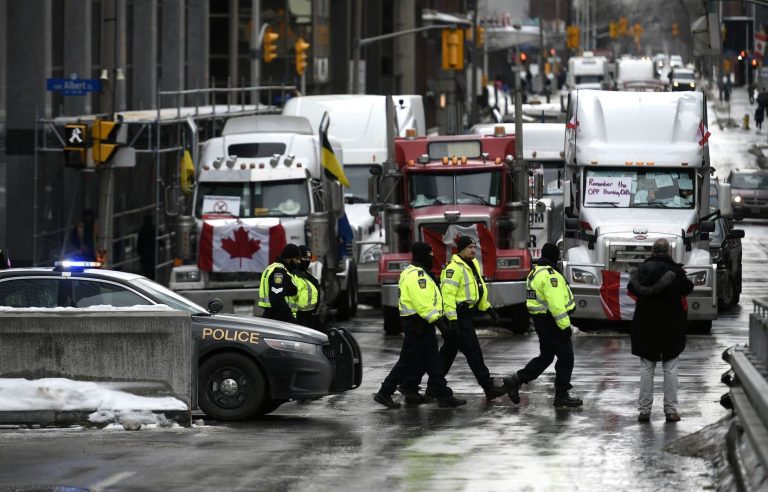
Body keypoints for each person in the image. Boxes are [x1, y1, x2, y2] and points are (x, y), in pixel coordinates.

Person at [373, 242, 466, 409]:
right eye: (430, 254)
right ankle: (385, 392)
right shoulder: (417, 276)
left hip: (421, 325)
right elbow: (424, 305)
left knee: (432, 362)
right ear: (423, 255)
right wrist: (442, 326)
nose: (432, 257)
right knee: (407, 363)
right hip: (418, 325)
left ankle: (442, 395)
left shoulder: (417, 273)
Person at [417, 236, 506, 402]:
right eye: (470, 247)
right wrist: (453, 319)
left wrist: (488, 308)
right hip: (458, 316)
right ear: (461, 249)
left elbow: (477, 290)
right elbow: (448, 295)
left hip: (465, 314)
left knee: (447, 353)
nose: (473, 250)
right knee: (473, 352)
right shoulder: (454, 268)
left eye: (474, 247)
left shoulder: (471, 265)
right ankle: (488, 387)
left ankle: (433, 388)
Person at [503, 243, 583, 408]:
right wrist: (564, 326)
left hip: (541, 322)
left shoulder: (534, 273)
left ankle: (516, 380)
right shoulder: (550, 275)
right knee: (566, 358)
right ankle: (561, 394)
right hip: (552, 322)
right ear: (554, 257)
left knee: (546, 357)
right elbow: (556, 305)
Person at [627, 238, 694, 423]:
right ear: (668, 252)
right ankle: (671, 411)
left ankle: (644, 411)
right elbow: (688, 288)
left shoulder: (642, 270)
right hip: (671, 325)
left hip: (645, 324)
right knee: (670, 368)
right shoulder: (676, 271)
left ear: (653, 252)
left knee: (647, 368)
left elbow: (631, 288)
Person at [258, 244, 301, 323]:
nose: (299, 261)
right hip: (278, 320)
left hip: (277, 318)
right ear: (288, 258)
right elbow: (277, 300)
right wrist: (292, 320)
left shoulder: (282, 270)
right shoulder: (279, 272)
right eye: (297, 258)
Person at [288, 245, 321, 330]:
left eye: (309, 258)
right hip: (295, 319)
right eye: (305, 258)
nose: (307, 261)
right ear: (298, 258)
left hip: (308, 317)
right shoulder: (290, 274)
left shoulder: (308, 276)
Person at [136, 214, 156, 279]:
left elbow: (139, 245)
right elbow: (161, 243)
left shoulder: (142, 231)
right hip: (153, 255)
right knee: (153, 272)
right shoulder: (154, 230)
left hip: (145, 256)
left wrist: (140, 254)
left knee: (146, 272)